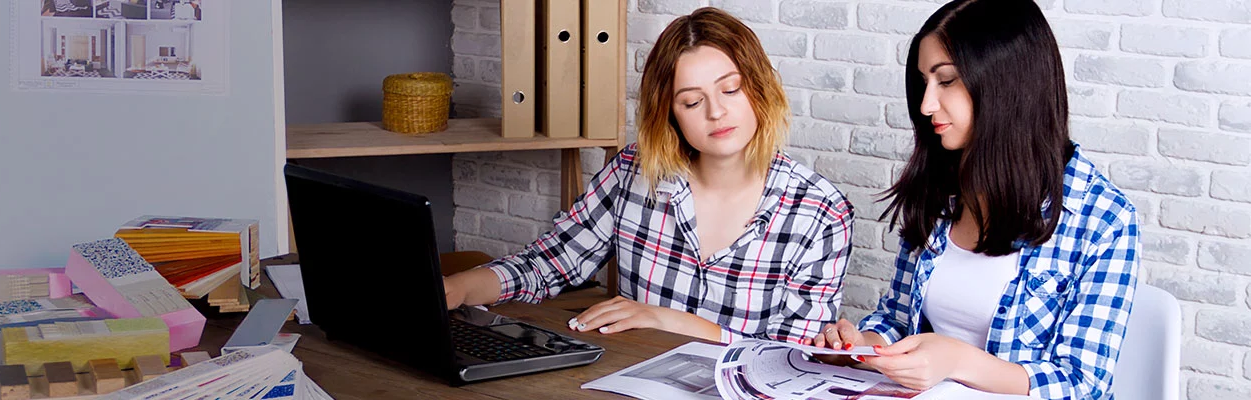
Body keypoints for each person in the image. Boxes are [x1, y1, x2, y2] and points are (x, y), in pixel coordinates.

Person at [442, 7, 853, 344]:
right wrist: (458, 288)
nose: (716, 112)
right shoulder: (632, 172)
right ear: (670, 115)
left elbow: (791, 356)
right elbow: (549, 263)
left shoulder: (820, 212)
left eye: (731, 90)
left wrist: (665, 319)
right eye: (692, 102)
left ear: (760, 89)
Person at [806, 0, 1141, 398]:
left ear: (1006, 83)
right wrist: (858, 344)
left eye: (945, 81)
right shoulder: (940, 187)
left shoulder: (1104, 219)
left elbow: (1081, 385)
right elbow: (897, 319)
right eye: (924, 83)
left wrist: (959, 361)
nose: (927, 105)